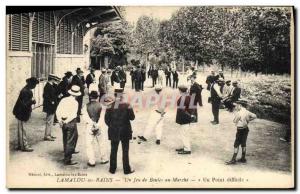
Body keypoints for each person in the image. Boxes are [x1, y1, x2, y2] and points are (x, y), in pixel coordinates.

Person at [105, 87, 135, 174]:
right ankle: (126, 169)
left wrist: (112, 126)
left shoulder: (110, 105)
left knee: (113, 150)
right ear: (122, 96)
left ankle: (112, 169)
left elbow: (106, 120)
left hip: (114, 131)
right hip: (125, 131)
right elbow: (132, 118)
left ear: (115, 96)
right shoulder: (127, 105)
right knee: (125, 151)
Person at [82, 91, 110, 167]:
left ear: (90, 97)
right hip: (99, 126)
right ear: (97, 97)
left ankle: (92, 161)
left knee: (89, 144)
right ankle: (104, 158)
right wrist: (97, 125)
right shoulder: (102, 106)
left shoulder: (86, 106)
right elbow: (102, 117)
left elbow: (85, 117)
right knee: (101, 143)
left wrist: (92, 123)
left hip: (89, 126)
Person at [56, 85, 81, 165]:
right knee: (71, 139)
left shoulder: (64, 100)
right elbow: (73, 115)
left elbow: (58, 110)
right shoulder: (75, 102)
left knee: (65, 137)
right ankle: (67, 159)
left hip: (62, 120)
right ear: (76, 95)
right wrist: (66, 121)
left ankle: (66, 150)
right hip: (70, 122)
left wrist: (60, 120)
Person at [13, 77, 39, 152]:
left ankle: (20, 145)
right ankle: (24, 146)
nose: (35, 86)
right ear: (31, 84)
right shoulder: (26, 91)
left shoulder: (26, 89)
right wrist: (32, 101)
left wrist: (31, 101)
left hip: (20, 112)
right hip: (22, 112)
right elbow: (24, 104)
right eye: (34, 85)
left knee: (20, 129)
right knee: (22, 129)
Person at [226, 100, 257, 165]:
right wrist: (248, 120)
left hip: (240, 130)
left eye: (237, 105)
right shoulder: (247, 111)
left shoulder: (239, 113)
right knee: (243, 143)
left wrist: (237, 117)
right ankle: (243, 158)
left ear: (240, 105)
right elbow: (254, 116)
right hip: (245, 129)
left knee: (236, 144)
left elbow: (234, 121)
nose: (236, 107)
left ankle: (233, 159)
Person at [175, 85, 196, 155]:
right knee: (185, 133)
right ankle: (185, 147)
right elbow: (193, 107)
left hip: (184, 119)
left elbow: (182, 110)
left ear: (180, 90)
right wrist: (192, 115)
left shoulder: (182, 98)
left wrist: (189, 116)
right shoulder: (190, 96)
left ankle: (187, 149)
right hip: (188, 118)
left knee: (184, 134)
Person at [42, 74, 60, 141]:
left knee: (50, 121)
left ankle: (49, 134)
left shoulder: (51, 85)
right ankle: (47, 136)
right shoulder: (47, 86)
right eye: (54, 79)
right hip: (49, 106)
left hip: (52, 106)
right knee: (49, 121)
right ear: (51, 79)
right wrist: (51, 101)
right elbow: (45, 96)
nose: (55, 80)